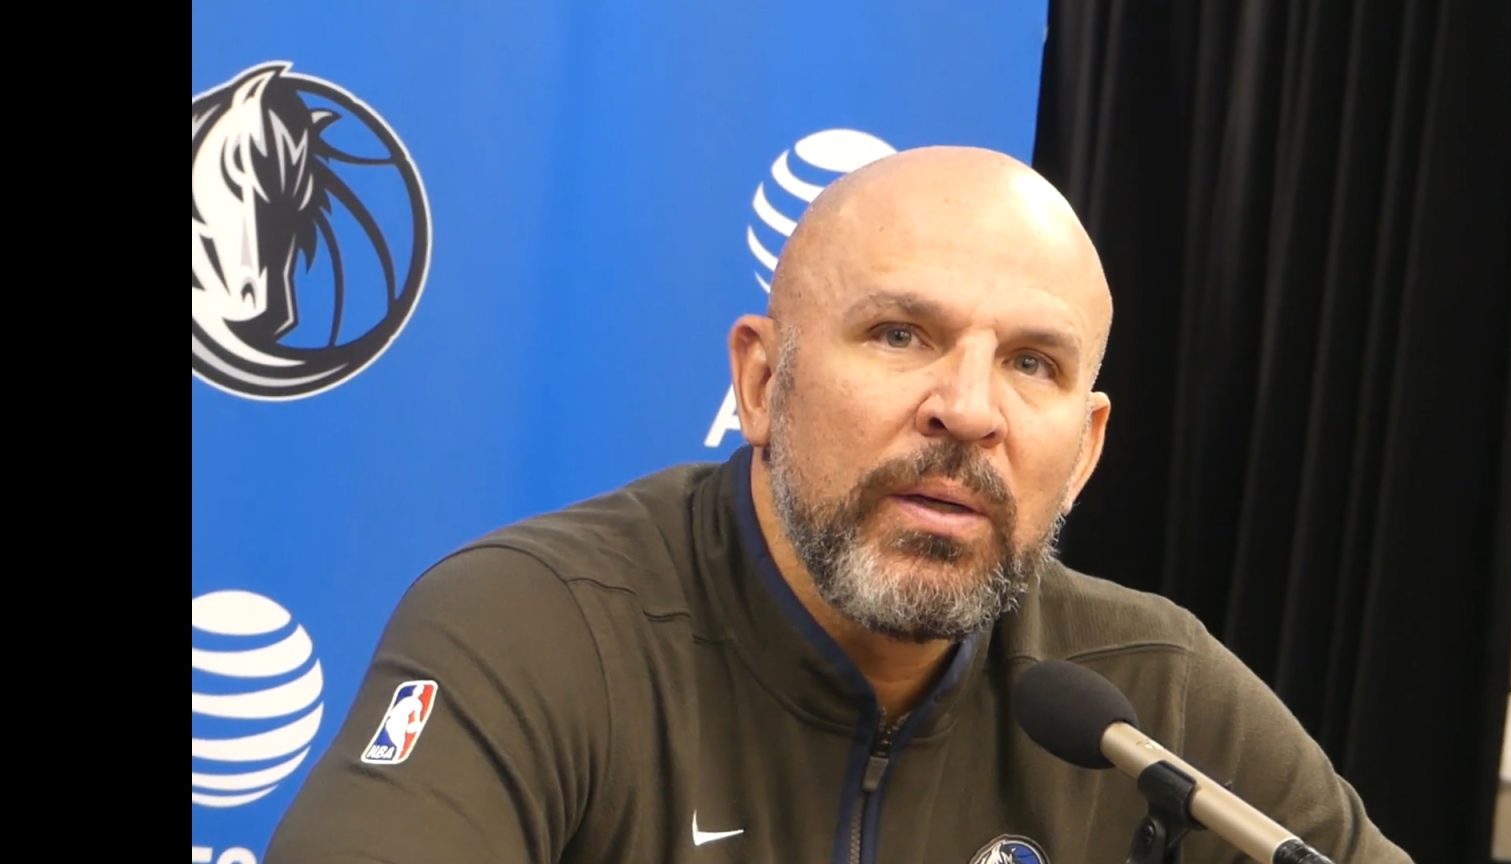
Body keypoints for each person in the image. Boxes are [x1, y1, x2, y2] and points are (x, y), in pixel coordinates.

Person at [265, 146, 1412, 864]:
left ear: (1087, 449)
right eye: (901, 334)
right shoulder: (541, 627)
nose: (967, 411)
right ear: (764, 383)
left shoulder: (1145, 694)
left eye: (1032, 364)